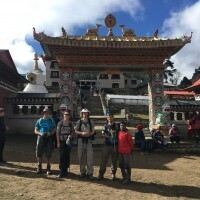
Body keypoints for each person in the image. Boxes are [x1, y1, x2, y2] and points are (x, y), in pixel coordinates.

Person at [75, 108, 95, 180]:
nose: (85, 114)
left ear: (88, 114)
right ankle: (82, 171)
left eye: (86, 113)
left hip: (89, 140)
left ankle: (90, 172)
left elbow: (93, 130)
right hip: (81, 140)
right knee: (81, 156)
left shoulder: (90, 121)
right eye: (83, 113)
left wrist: (90, 134)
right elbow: (76, 131)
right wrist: (82, 133)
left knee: (90, 156)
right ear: (82, 113)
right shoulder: (79, 122)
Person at [34, 108, 56, 175]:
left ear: (49, 113)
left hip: (48, 137)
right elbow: (35, 130)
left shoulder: (51, 120)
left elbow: (55, 129)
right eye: (45, 112)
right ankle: (39, 167)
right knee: (39, 153)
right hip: (41, 137)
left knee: (48, 154)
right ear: (43, 113)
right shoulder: (39, 121)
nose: (46, 114)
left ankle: (48, 168)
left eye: (47, 113)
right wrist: (40, 133)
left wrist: (51, 133)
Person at [98, 114, 119, 180]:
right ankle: (101, 174)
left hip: (115, 145)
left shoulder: (117, 126)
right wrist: (107, 136)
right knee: (104, 160)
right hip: (107, 145)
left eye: (111, 117)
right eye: (109, 117)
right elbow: (102, 134)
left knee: (114, 161)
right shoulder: (105, 126)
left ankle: (113, 174)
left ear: (113, 118)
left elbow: (120, 133)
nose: (110, 118)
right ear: (107, 118)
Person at [57, 111, 74, 178]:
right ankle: (61, 171)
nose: (66, 115)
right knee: (62, 156)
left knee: (67, 156)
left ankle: (66, 171)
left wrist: (71, 136)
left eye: (68, 114)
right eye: (65, 114)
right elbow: (57, 134)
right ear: (63, 115)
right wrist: (58, 142)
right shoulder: (60, 123)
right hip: (61, 141)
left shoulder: (71, 124)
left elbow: (73, 131)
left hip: (68, 141)